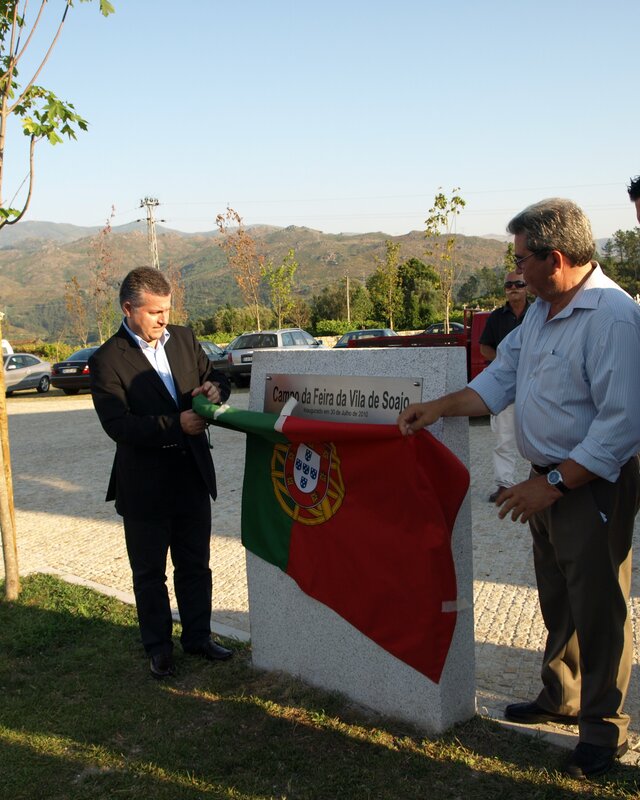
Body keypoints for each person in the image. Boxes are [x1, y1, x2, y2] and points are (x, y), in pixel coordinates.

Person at [398, 198, 640, 780]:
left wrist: (551, 484)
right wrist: (439, 407)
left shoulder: (613, 317)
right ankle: (561, 696)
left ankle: (604, 731)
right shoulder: (540, 312)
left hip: (588, 485)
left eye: (522, 260)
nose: (516, 272)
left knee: (598, 606)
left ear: (556, 258)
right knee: (559, 597)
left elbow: (622, 424)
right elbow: (500, 379)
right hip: (546, 479)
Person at [90, 267, 233, 679]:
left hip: (191, 475)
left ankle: (198, 637)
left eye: (167, 309)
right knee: (150, 574)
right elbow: (118, 425)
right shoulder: (106, 360)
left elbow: (215, 378)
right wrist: (177, 425)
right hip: (144, 485)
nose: (163, 319)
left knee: (196, 565)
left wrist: (215, 390)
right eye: (154, 312)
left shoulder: (184, 339)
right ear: (128, 308)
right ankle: (158, 648)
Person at [479, 271, 530, 502]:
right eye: (509, 285)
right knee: (504, 437)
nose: (513, 288)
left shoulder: (539, 314)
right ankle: (504, 485)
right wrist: (504, 362)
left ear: (527, 287)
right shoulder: (496, 318)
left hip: (535, 384)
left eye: (518, 284)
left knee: (543, 432)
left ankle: (545, 482)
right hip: (506, 387)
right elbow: (484, 347)